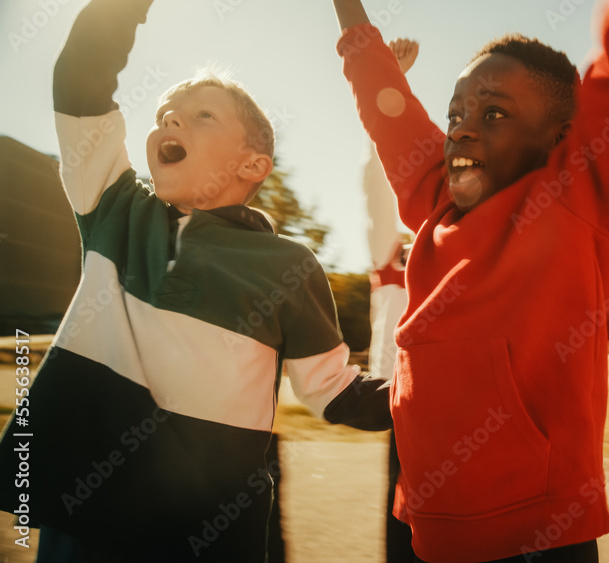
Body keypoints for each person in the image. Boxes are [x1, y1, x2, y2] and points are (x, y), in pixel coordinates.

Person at [0, 1, 390, 561]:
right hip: (84, 522)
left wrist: (423, 397)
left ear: (253, 166)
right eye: (165, 113)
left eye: (201, 115)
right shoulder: (113, 207)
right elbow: (80, 80)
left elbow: (333, 389)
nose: (170, 120)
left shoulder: (288, 265)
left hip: (204, 535)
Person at [329, 1, 609, 561]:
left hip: (536, 536)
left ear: (560, 138)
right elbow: (388, 111)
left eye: (493, 114)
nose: (463, 129)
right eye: (455, 116)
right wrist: (349, 13)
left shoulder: (579, 201)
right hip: (425, 520)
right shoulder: (436, 203)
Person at [363, 39, 417, 563]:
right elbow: (378, 183)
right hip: (402, 398)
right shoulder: (393, 251)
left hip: (463, 402)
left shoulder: (465, 251)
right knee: (404, 517)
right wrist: (389, 84)